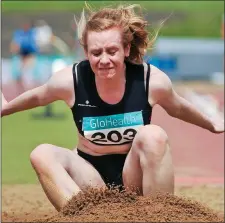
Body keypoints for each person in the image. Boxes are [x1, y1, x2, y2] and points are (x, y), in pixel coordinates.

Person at [1, 4, 224, 212]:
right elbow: (39, 96)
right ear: (86, 52)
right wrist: (5, 108)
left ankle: (160, 214)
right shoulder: (70, 80)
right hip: (90, 178)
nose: (104, 60)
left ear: (126, 49)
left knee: (153, 135)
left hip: (133, 176)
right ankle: (84, 217)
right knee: (41, 154)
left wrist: (211, 123)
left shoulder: (150, 81)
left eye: (112, 51)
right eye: (96, 53)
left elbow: (178, 107)